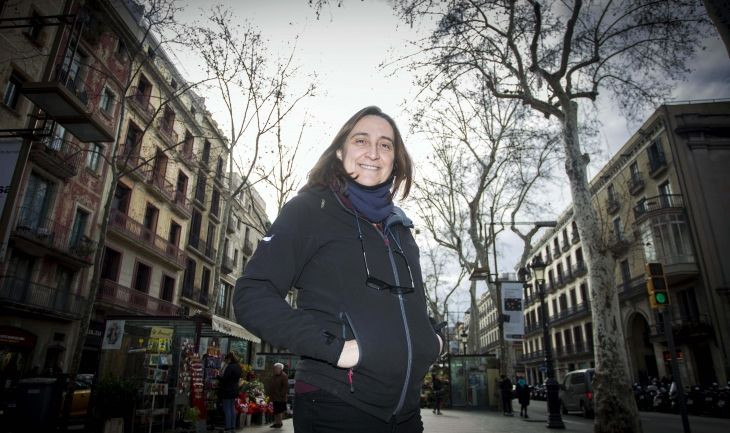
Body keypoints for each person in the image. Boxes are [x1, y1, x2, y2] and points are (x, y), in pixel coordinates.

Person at [234, 106, 443, 433]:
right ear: (339, 151)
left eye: (386, 144)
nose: (374, 152)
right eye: (361, 140)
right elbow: (251, 295)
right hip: (336, 404)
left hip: (405, 412)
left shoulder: (401, 229)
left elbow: (408, 310)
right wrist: (336, 348)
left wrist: (433, 339)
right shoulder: (309, 210)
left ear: (396, 160)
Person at [219, 352, 242, 433]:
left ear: (229, 359)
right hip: (235, 390)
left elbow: (225, 378)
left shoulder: (230, 367)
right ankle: (232, 427)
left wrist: (218, 377)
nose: (226, 361)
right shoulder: (238, 366)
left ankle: (227, 428)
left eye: (226, 360)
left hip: (227, 390)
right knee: (232, 408)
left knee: (227, 409)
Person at [266, 363, 289, 428]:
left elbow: (285, 387)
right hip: (274, 396)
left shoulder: (284, 376)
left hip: (280, 397)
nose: (274, 370)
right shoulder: (275, 375)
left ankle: (279, 423)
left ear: (280, 369)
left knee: (279, 411)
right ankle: (276, 423)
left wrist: (281, 394)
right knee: (275, 411)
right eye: (274, 368)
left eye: (276, 368)